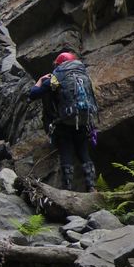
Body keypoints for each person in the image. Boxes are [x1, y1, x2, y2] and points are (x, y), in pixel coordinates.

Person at [29, 51, 99, 191]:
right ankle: (92, 187)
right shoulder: (83, 75)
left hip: (63, 123)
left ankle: (67, 188)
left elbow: (33, 94)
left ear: (58, 64)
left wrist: (40, 80)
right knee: (84, 153)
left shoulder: (55, 78)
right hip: (84, 120)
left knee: (66, 152)